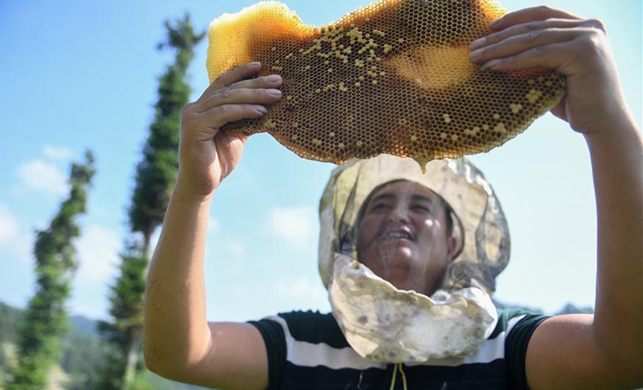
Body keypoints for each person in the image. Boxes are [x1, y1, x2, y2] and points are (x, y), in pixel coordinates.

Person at [143, 5, 642, 390]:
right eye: (379, 204)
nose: (398, 215)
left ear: (455, 242)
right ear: (348, 236)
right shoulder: (301, 345)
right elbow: (177, 354)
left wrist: (608, 125)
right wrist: (195, 190)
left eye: (421, 206)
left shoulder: (507, 345)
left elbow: (627, 355)